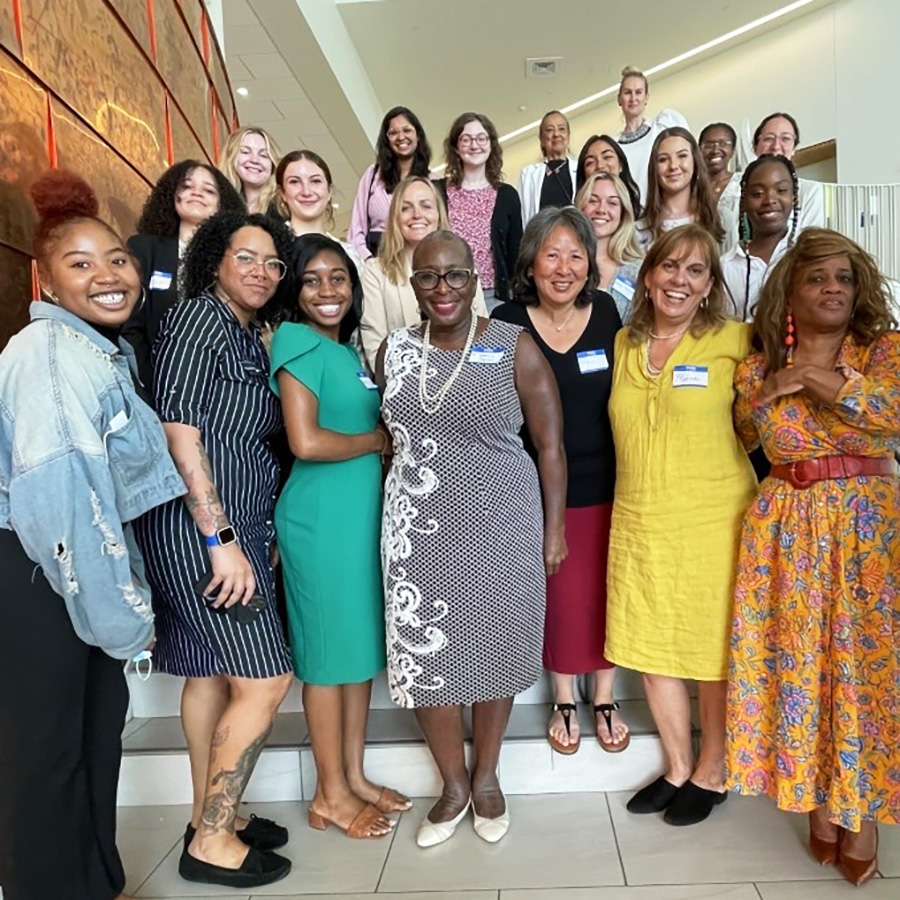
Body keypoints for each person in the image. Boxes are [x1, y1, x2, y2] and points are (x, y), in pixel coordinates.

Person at [0, 170, 185, 900]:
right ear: (46, 281)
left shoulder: (97, 350)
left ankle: (91, 881)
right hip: (39, 572)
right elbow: (64, 501)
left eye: (115, 259)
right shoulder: (48, 356)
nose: (107, 275)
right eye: (80, 264)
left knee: (92, 735)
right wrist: (120, 614)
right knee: (46, 753)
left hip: (69, 566)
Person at [377, 230, 566, 846]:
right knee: (426, 659)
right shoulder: (393, 351)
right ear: (413, 284)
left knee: (493, 655)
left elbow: (550, 446)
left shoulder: (514, 347)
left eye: (454, 275)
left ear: (474, 275)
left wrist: (556, 528)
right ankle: (452, 783)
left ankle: (486, 778)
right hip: (417, 531)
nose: (443, 289)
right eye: (428, 277)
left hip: (501, 526)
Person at [725, 228, 899, 886]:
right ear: (789, 294)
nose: (832, 287)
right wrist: (781, 379)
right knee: (804, 671)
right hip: (786, 530)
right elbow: (748, 432)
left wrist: (809, 380)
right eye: (816, 277)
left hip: (867, 532)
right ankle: (819, 799)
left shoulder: (884, 350)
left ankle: (863, 812)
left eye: (844, 278)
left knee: (862, 673)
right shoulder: (754, 365)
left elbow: (893, 412)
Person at [135, 211, 296, 888]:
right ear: (215, 260)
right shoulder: (200, 318)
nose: (260, 272)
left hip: (231, 527)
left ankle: (212, 812)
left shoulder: (243, 331)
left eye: (273, 263)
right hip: (204, 531)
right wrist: (221, 539)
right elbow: (181, 435)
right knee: (265, 680)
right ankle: (211, 839)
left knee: (207, 673)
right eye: (247, 257)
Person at [605, 224, 757, 827]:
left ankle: (712, 769)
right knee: (650, 642)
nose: (680, 280)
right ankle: (676, 765)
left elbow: (762, 420)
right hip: (640, 515)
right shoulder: (622, 343)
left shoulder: (734, 340)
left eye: (696, 272)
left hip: (715, 518)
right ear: (648, 276)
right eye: (670, 267)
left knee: (710, 649)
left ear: (710, 285)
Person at [267, 235, 409, 839]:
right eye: (312, 280)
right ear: (294, 291)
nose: (328, 291)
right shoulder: (296, 341)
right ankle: (328, 795)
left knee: (353, 657)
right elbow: (306, 441)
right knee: (327, 662)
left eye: (339, 279)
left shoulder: (346, 349)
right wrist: (377, 442)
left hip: (357, 519)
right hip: (321, 520)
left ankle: (352, 775)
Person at [493, 207, 629, 756]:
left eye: (576, 254)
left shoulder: (606, 315)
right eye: (552, 254)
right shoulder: (505, 320)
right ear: (532, 261)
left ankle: (605, 694)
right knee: (559, 593)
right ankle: (564, 696)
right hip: (532, 485)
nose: (564, 266)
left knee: (603, 590)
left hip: (606, 479)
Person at [122, 159, 244, 390]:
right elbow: (131, 325)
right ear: (172, 194)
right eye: (187, 186)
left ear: (221, 205)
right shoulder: (144, 249)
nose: (197, 193)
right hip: (153, 381)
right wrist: (147, 386)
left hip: (218, 384)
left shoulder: (233, 260)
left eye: (208, 190)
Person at [359, 175, 487, 370]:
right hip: (405, 384)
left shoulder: (464, 268)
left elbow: (482, 332)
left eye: (426, 206)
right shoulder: (375, 272)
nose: (417, 214)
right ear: (395, 217)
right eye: (406, 208)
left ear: (439, 214)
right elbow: (376, 346)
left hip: (466, 376)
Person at [433, 112, 523, 310]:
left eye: (481, 138)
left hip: (493, 296)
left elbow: (515, 253)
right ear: (456, 147)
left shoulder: (507, 195)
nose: (475, 145)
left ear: (491, 145)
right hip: (447, 293)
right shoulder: (437, 191)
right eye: (466, 139)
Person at [721, 154, 800, 320]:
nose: (770, 200)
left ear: (793, 197)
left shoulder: (807, 257)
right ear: (744, 202)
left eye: (781, 191)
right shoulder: (725, 267)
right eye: (757, 193)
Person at [348, 106, 432, 262]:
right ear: (386, 139)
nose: (401, 137)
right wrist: (368, 262)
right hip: (377, 260)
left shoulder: (434, 181)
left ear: (418, 135)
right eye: (393, 133)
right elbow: (356, 228)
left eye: (407, 130)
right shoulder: (372, 175)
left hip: (420, 263)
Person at [637, 127, 734, 253]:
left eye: (682, 156)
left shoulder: (721, 219)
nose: (673, 166)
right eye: (663, 159)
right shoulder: (638, 230)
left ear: (695, 161)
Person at [274, 149, 361, 271]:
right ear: (282, 193)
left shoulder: (350, 255)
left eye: (315, 181)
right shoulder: (270, 247)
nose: (306, 191)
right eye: (294, 182)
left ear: (329, 191)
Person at [614, 66, 688, 206]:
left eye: (638, 92)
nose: (633, 98)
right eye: (627, 92)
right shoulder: (613, 145)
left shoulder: (662, 126)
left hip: (662, 208)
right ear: (619, 99)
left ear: (646, 98)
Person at [575, 172, 644, 322]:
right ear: (580, 207)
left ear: (623, 213)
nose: (601, 209)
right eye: (593, 201)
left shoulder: (638, 270)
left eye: (612, 203)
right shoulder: (564, 264)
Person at [752, 112, 825, 230]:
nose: (776, 146)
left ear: (794, 148)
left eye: (785, 139)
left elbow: (811, 241)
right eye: (768, 138)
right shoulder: (736, 189)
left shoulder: (809, 191)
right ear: (755, 147)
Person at [518, 110, 578, 225]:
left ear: (568, 136)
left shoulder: (580, 169)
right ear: (541, 139)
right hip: (540, 237)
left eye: (561, 129)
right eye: (550, 130)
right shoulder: (528, 174)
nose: (556, 134)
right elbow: (522, 214)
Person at [575, 133, 643, 219]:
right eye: (590, 162)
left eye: (607, 157)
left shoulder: (642, 219)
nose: (600, 165)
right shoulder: (574, 224)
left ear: (621, 165)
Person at [220, 126, 282, 216]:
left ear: (273, 165)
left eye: (264, 155)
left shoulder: (284, 207)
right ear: (231, 158)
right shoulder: (219, 205)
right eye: (245, 152)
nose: (254, 160)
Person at [699, 122, 740, 231]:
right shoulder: (691, 187)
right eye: (708, 145)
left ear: (733, 150)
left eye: (723, 144)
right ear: (699, 150)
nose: (715, 150)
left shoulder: (743, 183)